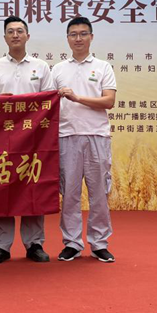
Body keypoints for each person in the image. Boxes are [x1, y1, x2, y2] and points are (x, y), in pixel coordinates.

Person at [0, 16, 55, 264]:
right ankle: (1, 246)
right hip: (1, 138)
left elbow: (49, 101)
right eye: (10, 31)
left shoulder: (41, 67)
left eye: (20, 31)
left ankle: (35, 244)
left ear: (27, 36)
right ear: (4, 37)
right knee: (1, 187)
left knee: (33, 187)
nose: (15, 35)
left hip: (34, 139)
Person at [52, 17, 117, 263]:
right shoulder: (58, 69)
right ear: (67, 39)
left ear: (91, 37)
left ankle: (99, 243)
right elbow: (47, 102)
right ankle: (72, 243)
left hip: (97, 136)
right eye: (73, 34)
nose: (78, 38)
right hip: (66, 136)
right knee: (69, 193)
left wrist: (77, 98)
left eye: (83, 34)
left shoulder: (103, 67)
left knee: (98, 193)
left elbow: (109, 101)